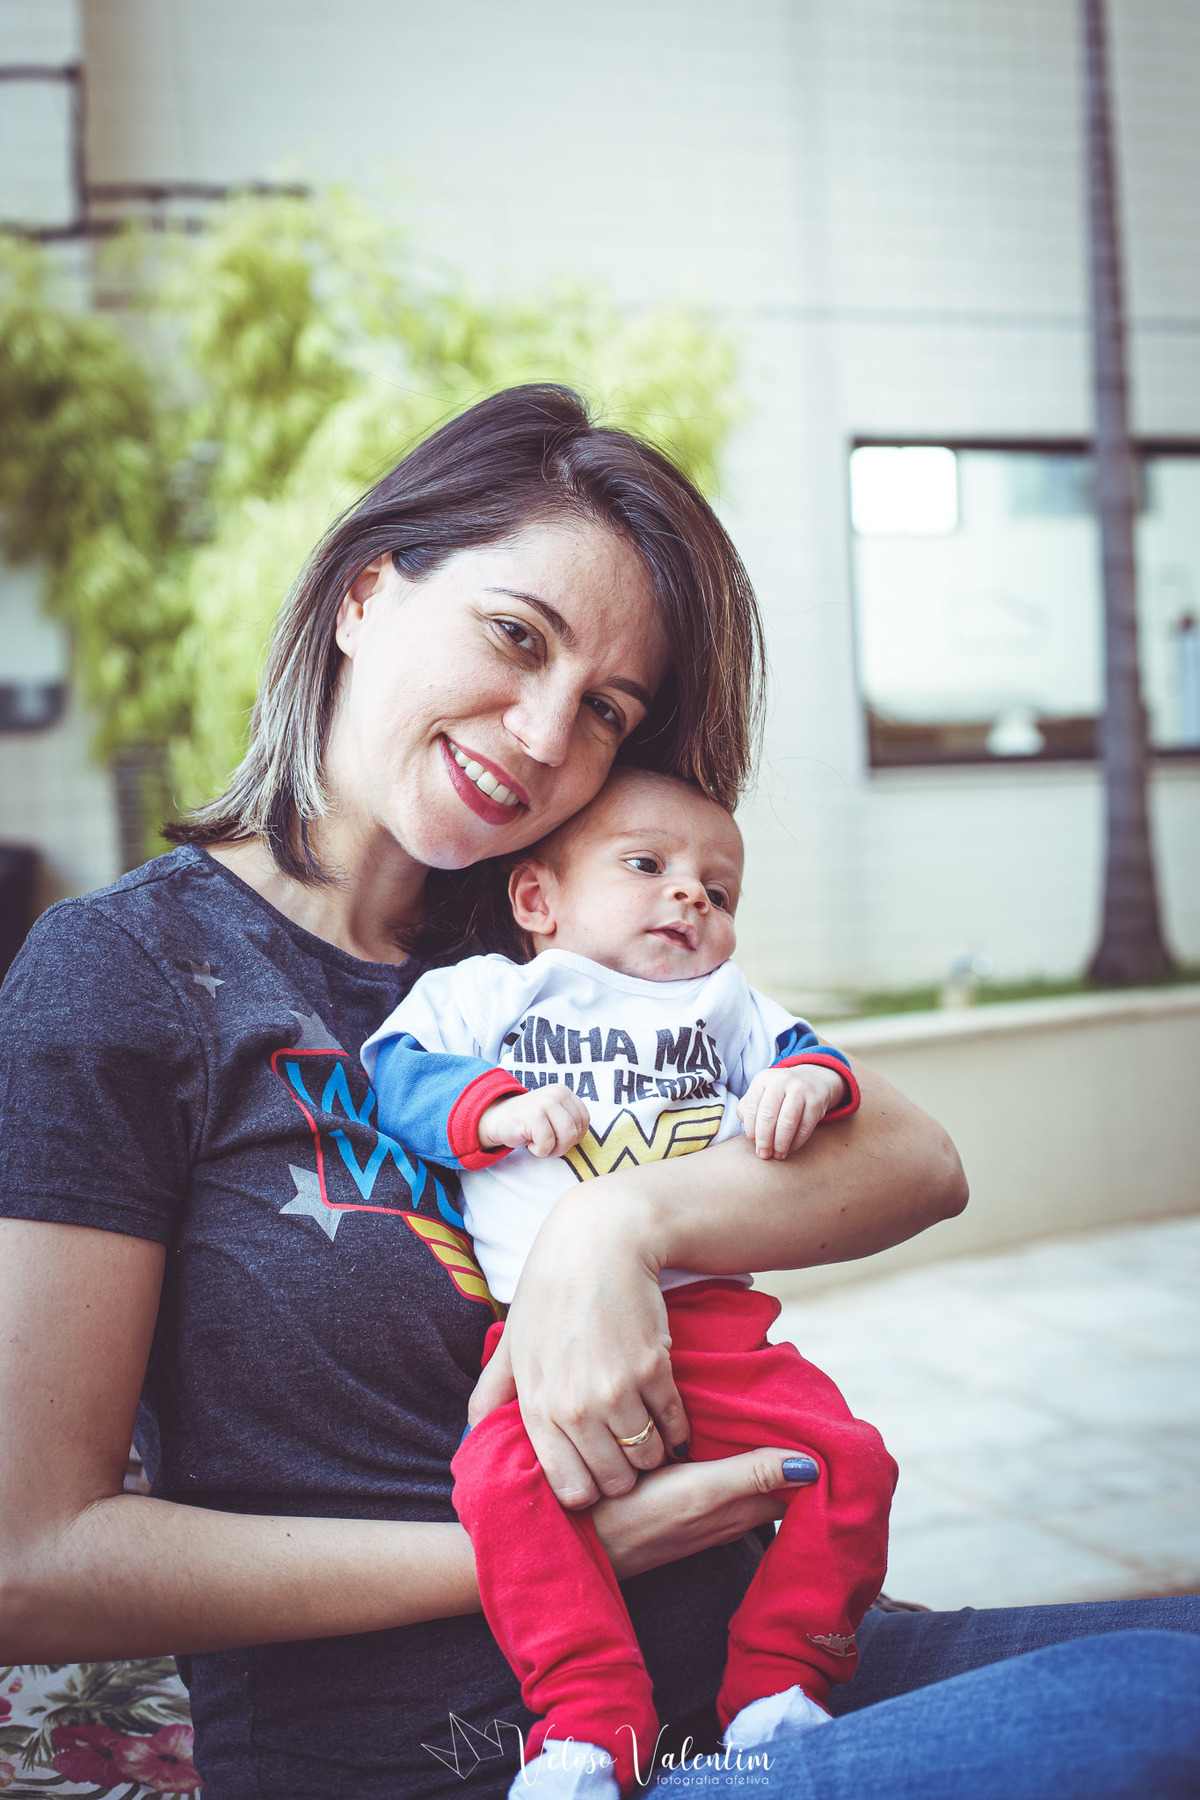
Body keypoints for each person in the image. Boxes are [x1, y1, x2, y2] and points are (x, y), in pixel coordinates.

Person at [0, 385, 1193, 1800]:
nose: (544, 728)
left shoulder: (546, 944)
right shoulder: (131, 972)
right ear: (368, 592)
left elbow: (918, 1157)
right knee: (1151, 1711)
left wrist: (608, 1230)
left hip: (758, 1677)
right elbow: (32, 1560)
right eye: (517, 636)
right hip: (463, 1754)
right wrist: (541, 1546)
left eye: (607, 707)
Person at [362, 767, 898, 1796]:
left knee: (851, 1463)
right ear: (538, 900)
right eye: (648, 867)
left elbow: (812, 1055)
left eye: (720, 889)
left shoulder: (723, 1002)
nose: (691, 895)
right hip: (548, 1339)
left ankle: (780, 1686)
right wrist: (494, 1112)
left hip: (715, 1321)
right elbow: (397, 1075)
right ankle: (587, 1718)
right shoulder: (489, 992)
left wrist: (804, 1081)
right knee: (503, 1488)